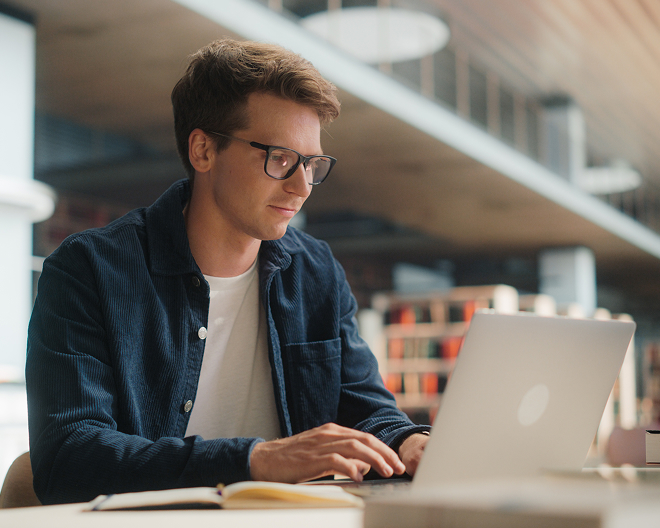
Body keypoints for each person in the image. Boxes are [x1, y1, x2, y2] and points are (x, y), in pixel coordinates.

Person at [26, 38, 430, 505]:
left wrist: (409, 441)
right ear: (202, 150)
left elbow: (367, 410)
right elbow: (68, 458)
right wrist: (256, 459)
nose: (302, 186)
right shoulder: (88, 271)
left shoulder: (317, 270)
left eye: (313, 164)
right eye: (279, 158)